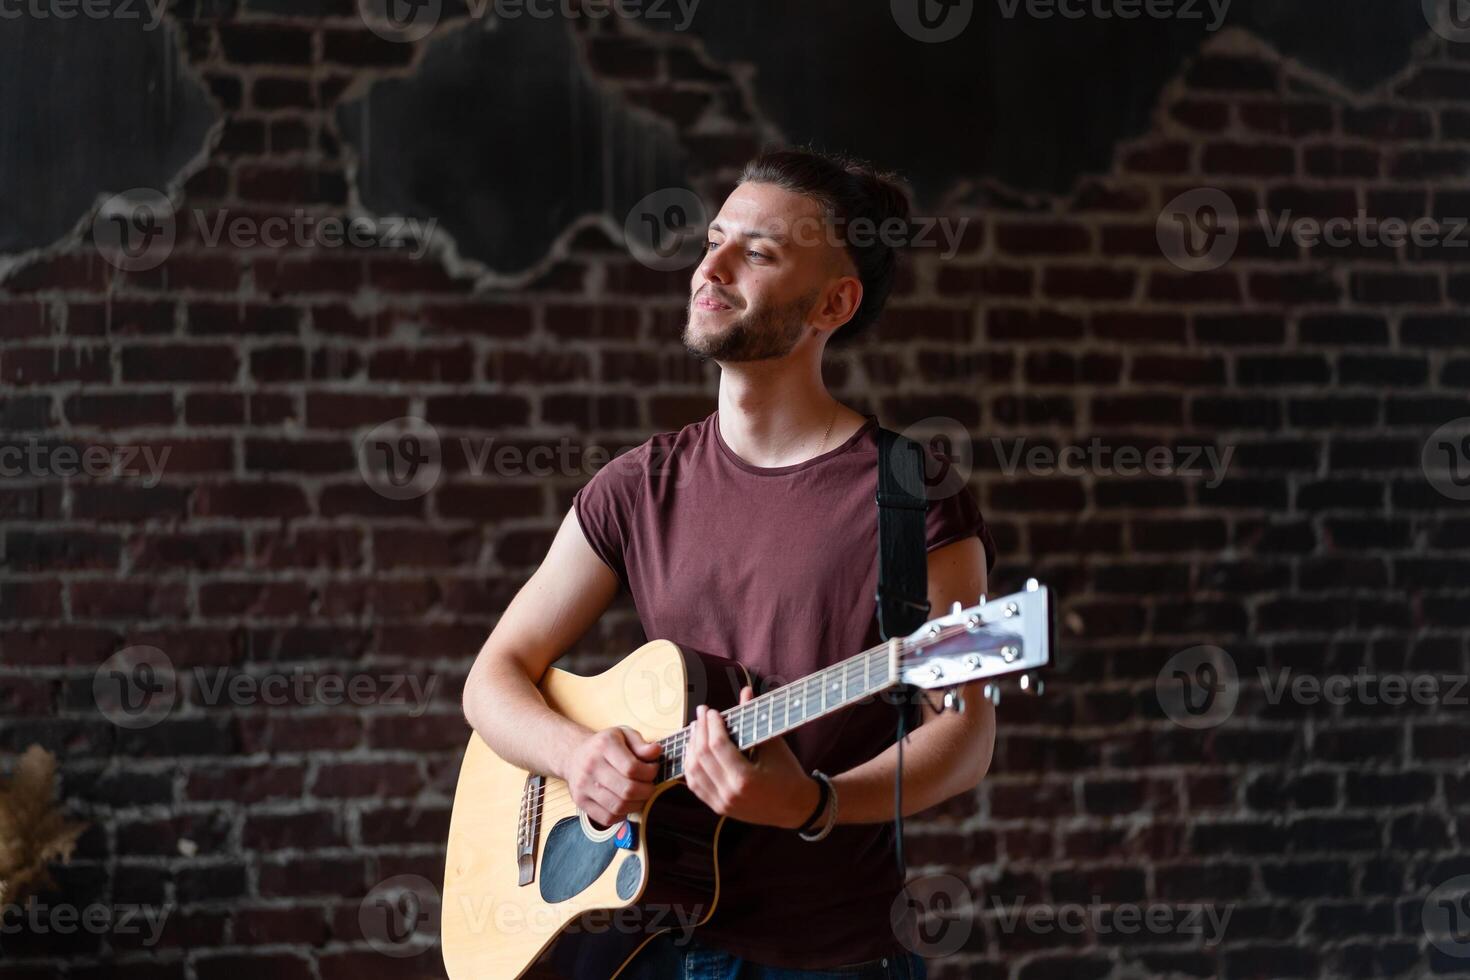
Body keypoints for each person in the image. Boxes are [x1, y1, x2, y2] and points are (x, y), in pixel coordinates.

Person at [461, 146, 998, 978]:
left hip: (832, 958)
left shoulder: (911, 496)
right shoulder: (638, 486)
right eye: (714, 239)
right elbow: (492, 677)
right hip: (640, 946)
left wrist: (810, 803)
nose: (709, 267)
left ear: (835, 302)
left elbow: (961, 738)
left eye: (758, 251)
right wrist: (574, 756)